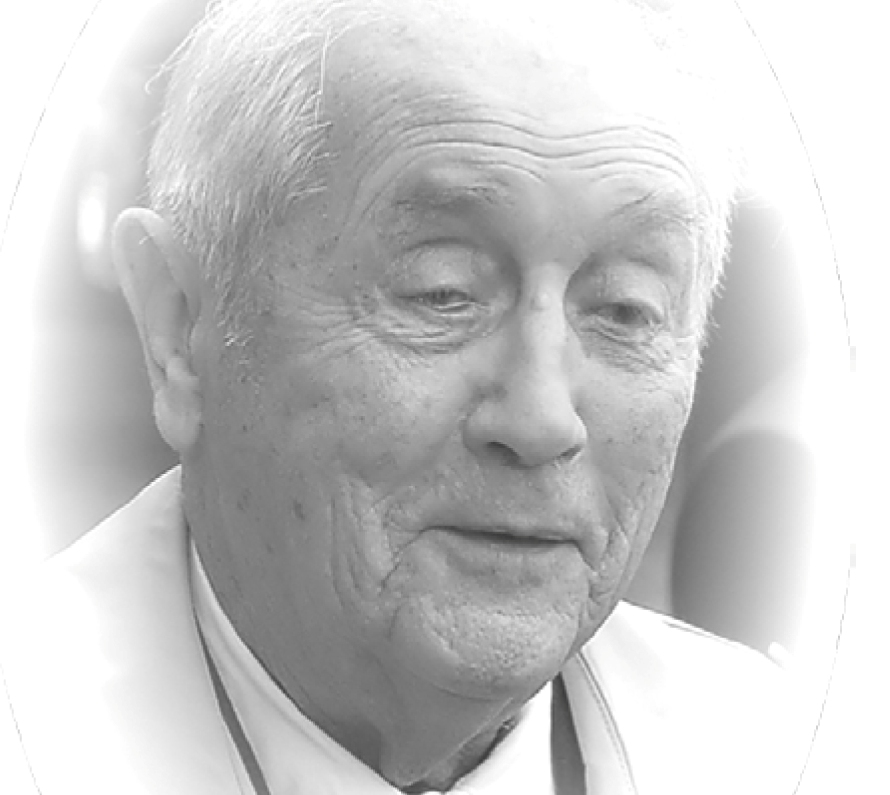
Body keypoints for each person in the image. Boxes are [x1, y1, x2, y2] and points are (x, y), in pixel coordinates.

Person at [1, 0, 803, 792]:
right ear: (180, 326)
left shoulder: (773, 754)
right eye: (442, 291)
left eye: (626, 310)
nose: (541, 419)